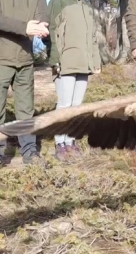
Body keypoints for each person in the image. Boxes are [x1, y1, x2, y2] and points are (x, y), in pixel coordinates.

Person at [0, 0, 50, 167]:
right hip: (0, 59)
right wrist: (25, 27)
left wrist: (42, 25)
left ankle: (29, 152)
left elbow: (42, 12)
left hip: (25, 59)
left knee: (26, 111)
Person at [47, 0, 102, 160]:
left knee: (77, 106)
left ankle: (71, 142)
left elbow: (92, 38)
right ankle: (60, 143)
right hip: (66, 62)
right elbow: (53, 31)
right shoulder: (59, 3)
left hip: (84, 64)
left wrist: (96, 61)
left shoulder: (87, 7)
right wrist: (55, 60)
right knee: (64, 104)